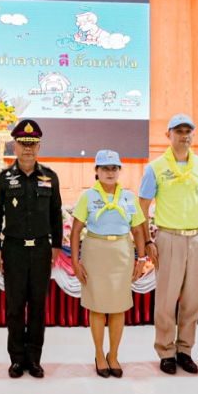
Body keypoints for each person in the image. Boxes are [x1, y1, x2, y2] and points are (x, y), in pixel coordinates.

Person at [138, 114, 198, 375]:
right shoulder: (155, 168)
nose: (184, 135)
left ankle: (185, 350)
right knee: (166, 299)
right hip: (169, 238)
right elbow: (142, 206)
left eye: (188, 131)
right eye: (179, 131)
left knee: (193, 299)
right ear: (168, 135)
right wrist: (147, 240)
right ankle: (165, 351)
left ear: (193, 134)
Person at [0, 119, 63, 379]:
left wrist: (56, 246)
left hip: (41, 250)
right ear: (15, 146)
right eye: (23, 143)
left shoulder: (50, 178)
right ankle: (17, 360)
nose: (28, 148)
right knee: (15, 307)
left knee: (38, 307)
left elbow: (56, 214)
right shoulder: (3, 179)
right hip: (14, 250)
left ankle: (34, 359)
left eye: (32, 144)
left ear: (39, 147)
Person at [70, 150, 147, 378]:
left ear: (119, 170)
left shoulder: (129, 197)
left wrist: (141, 258)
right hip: (95, 252)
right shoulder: (87, 196)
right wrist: (75, 260)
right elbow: (76, 231)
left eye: (114, 168)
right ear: (96, 171)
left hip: (121, 253)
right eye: (105, 168)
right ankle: (99, 355)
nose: (110, 172)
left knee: (118, 306)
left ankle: (113, 355)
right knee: (97, 305)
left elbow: (137, 230)